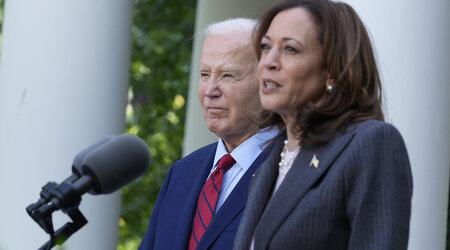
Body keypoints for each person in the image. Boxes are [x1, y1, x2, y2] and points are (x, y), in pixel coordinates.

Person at [233, 1, 413, 249]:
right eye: (265, 47)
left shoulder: (371, 143)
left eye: (290, 49)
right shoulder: (269, 162)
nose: (268, 62)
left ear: (332, 69)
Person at [139, 18, 278, 250]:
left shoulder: (293, 169)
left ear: (268, 83)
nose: (210, 90)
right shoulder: (182, 173)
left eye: (228, 75)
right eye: (205, 74)